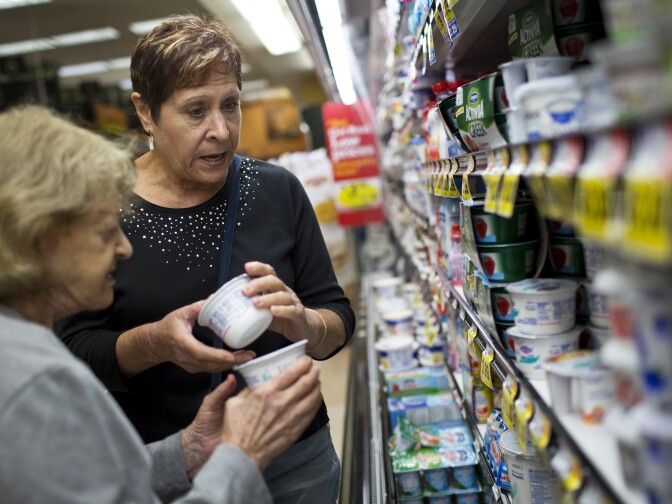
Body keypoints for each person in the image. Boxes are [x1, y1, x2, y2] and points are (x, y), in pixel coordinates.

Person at [56, 15, 356, 504]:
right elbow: (75, 349)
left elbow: (338, 318)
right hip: (173, 466)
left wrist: (305, 324)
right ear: (146, 112)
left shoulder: (277, 191)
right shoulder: (100, 209)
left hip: (297, 459)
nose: (220, 130)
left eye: (230, 105)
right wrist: (155, 343)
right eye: (196, 112)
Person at [0, 105, 324, 503]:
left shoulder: (22, 346)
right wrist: (241, 455)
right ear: (42, 240)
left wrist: (186, 451)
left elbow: (100, 483)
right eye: (106, 233)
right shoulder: (35, 383)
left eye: (230, 104)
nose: (123, 248)